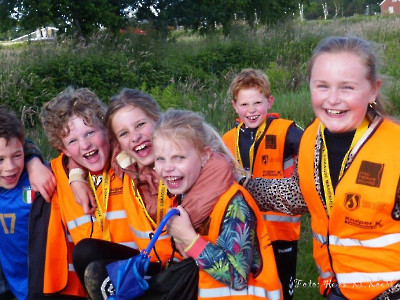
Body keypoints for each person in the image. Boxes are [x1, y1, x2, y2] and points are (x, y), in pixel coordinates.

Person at [244, 36, 400, 299]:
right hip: (333, 287)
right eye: (322, 86)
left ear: (373, 90)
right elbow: (299, 194)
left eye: (347, 87)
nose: (333, 99)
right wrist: (242, 185)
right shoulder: (311, 138)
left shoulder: (395, 146)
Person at [71, 88, 236, 299]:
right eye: (124, 133)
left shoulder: (188, 164)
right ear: (118, 142)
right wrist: (75, 175)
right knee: (86, 252)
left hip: (195, 266)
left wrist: (184, 229)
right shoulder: (126, 164)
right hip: (159, 262)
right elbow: (84, 147)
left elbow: (219, 167)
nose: (135, 137)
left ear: (158, 121)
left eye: (141, 125)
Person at [154, 109, 282, 299]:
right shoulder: (186, 195)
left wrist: (190, 239)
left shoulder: (232, 203)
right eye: (160, 159)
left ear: (205, 156)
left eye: (179, 157)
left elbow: (238, 276)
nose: (168, 167)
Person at [28, 87, 136, 299]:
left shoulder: (130, 158)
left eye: (90, 132)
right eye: (72, 141)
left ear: (107, 129)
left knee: (87, 250)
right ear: (64, 150)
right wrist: (31, 160)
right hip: (95, 286)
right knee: (86, 252)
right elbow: (9, 150)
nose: (85, 145)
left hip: (145, 271)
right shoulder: (56, 174)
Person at [222, 68, 303, 300]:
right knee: (250, 291)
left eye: (257, 102)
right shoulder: (227, 139)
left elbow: (314, 149)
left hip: (281, 233)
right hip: (243, 233)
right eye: (245, 104)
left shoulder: (287, 131)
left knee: (282, 290)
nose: (252, 110)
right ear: (234, 106)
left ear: (270, 101)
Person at [0, 105, 55, 300]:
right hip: (10, 288)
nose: (10, 167)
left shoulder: (39, 181)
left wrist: (34, 162)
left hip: (46, 289)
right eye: (0, 160)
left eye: (17, 156)